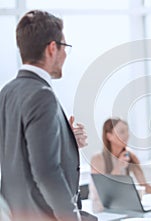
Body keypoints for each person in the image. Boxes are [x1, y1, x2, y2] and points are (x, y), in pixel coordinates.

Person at [0, 10, 94, 221]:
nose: (65, 55)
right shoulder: (42, 95)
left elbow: (18, 153)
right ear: (53, 48)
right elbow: (46, 172)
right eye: (65, 47)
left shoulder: (6, 92)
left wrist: (64, 140)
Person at [89, 118, 151, 212]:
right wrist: (118, 167)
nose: (127, 135)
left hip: (123, 209)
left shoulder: (131, 156)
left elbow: (145, 186)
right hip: (101, 210)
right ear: (109, 136)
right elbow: (105, 194)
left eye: (127, 131)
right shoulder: (97, 159)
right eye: (122, 132)